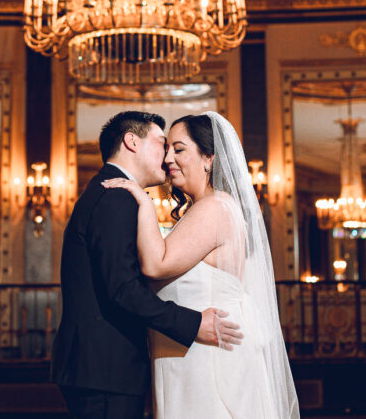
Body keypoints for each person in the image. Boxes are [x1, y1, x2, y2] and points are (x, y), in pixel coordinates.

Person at [103, 112, 300, 418]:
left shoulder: (215, 207)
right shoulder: (204, 208)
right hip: (189, 355)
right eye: (167, 149)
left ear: (209, 159)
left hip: (207, 359)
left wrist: (143, 202)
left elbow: (156, 264)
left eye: (179, 149)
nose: (168, 158)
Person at [51, 111, 243, 419]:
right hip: (105, 368)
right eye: (162, 144)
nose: (167, 158)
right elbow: (123, 289)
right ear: (132, 142)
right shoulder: (115, 197)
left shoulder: (114, 193)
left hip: (104, 368)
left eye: (175, 149)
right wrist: (193, 324)